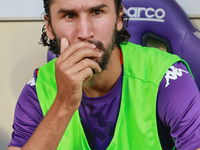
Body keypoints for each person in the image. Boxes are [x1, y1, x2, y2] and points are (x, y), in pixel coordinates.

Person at [8, 0, 200, 149]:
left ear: (118, 18)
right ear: (49, 27)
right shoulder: (38, 89)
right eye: (69, 15)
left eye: (97, 12)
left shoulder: (166, 77)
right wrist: (63, 104)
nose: (85, 32)